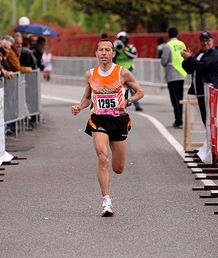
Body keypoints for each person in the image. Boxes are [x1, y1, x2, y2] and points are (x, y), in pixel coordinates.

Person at [71, 38, 144, 217]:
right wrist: (79, 106)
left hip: (119, 120)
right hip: (99, 120)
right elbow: (87, 97)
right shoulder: (90, 74)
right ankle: (106, 202)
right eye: (101, 50)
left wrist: (128, 101)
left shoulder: (123, 73)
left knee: (118, 168)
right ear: (96, 53)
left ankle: (108, 195)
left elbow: (140, 92)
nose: (104, 53)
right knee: (103, 158)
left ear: (113, 53)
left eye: (107, 50)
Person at [181, 31, 218, 125]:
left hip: (210, 92)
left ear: (212, 41)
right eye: (202, 41)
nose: (205, 43)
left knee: (212, 120)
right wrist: (186, 61)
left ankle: (213, 140)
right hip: (200, 91)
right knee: (206, 120)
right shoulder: (201, 54)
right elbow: (190, 69)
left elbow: (202, 67)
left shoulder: (214, 55)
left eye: (207, 40)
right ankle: (209, 139)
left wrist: (190, 59)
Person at [161, 27, 187, 129]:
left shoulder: (168, 46)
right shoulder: (182, 44)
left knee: (174, 98)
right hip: (182, 72)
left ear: (168, 34)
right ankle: (180, 118)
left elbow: (164, 61)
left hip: (172, 74)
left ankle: (178, 120)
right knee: (180, 97)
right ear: (177, 33)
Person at [113, 31, 143, 111]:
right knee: (118, 89)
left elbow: (134, 55)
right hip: (118, 71)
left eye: (124, 39)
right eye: (121, 39)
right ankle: (117, 104)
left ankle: (137, 105)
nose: (123, 40)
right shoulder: (115, 47)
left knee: (133, 89)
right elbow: (112, 58)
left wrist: (124, 50)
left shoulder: (130, 47)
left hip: (129, 71)